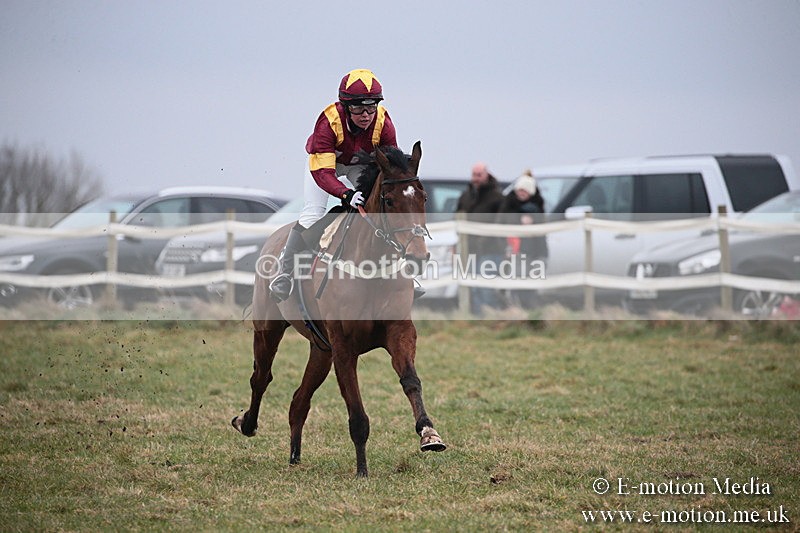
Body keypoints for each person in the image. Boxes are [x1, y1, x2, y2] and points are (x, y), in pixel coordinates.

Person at [270, 68, 398, 302]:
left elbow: (390, 165)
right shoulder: (328, 122)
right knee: (313, 214)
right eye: (359, 108)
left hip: (360, 164)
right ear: (346, 106)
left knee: (379, 210)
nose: (366, 115)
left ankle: (400, 273)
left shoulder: (384, 122)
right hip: (327, 166)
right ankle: (284, 273)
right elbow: (324, 173)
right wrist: (346, 193)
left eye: (371, 107)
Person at [456, 162, 505, 315]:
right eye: (474, 175)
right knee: (473, 288)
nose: (476, 178)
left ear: (486, 175)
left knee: (486, 287)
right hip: (469, 249)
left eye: (479, 175)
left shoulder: (497, 197)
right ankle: (478, 320)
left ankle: (492, 317)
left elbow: (501, 222)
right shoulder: (466, 196)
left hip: (491, 248)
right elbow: (457, 218)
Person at [495, 169, 548, 308]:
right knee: (512, 285)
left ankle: (529, 314)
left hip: (532, 253)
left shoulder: (537, 208)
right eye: (519, 190)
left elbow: (541, 234)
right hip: (512, 252)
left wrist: (533, 222)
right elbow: (500, 226)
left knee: (529, 286)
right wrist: (505, 248)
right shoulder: (508, 205)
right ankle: (515, 312)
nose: (521, 193)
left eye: (524, 191)